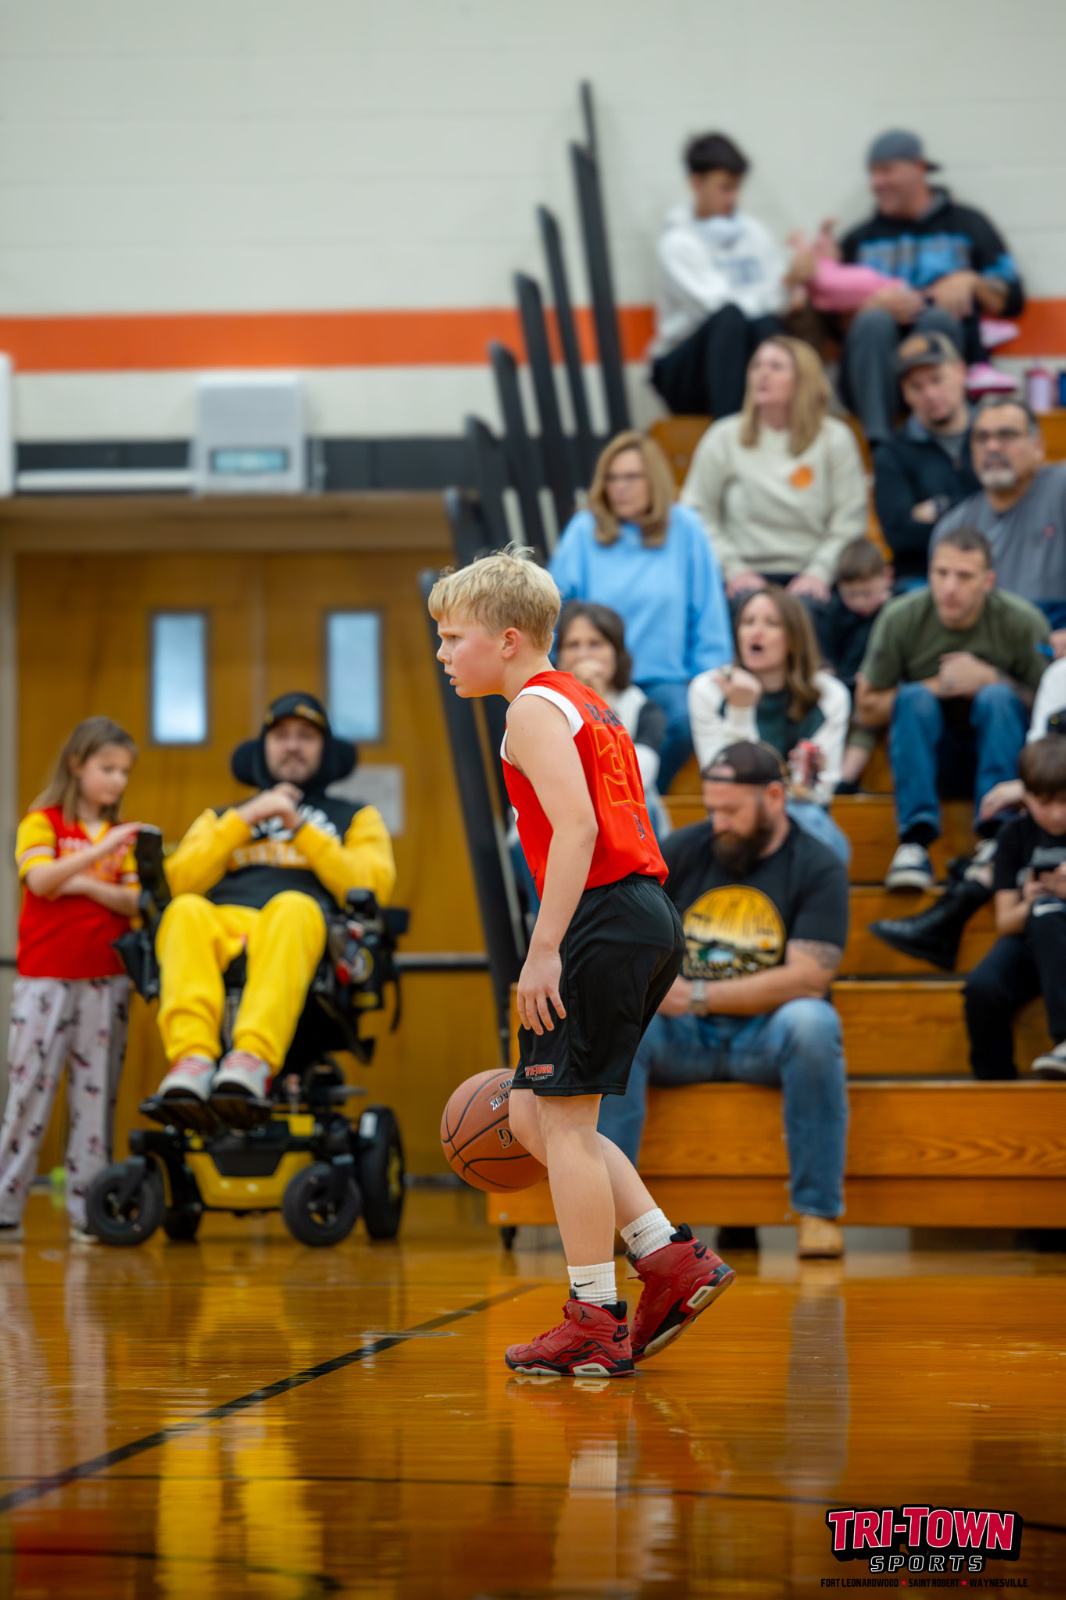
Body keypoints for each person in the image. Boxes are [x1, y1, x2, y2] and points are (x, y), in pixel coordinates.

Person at [430, 548, 735, 1378]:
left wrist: (543, 948)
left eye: (454, 637)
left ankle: (595, 1318)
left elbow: (578, 830)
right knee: (538, 1117)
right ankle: (667, 1257)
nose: (443, 653)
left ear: (508, 638)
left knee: (562, 1124)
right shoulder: (580, 699)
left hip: (601, 915)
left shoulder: (531, 709)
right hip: (639, 913)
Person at [598, 740, 850, 1260]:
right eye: (712, 809)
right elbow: (628, 935)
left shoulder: (817, 864)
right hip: (683, 1037)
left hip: (766, 1033)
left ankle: (817, 1212)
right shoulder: (683, 850)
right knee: (621, 1023)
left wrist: (698, 996)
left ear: (774, 797)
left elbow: (808, 977)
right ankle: (613, 1213)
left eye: (732, 810)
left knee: (814, 1023)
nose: (719, 823)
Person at [155, 693, 395, 1114]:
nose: (293, 745)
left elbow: (372, 886)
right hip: (225, 926)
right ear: (263, 748)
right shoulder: (223, 817)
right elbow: (176, 882)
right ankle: (192, 1059)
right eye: (281, 735)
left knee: (293, 905)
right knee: (183, 911)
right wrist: (247, 817)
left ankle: (252, 1059)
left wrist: (298, 826)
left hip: (301, 929)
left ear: (325, 749)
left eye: (306, 736)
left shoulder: (356, 817)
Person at [0, 717, 141, 1243]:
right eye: (107, 768)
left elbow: (133, 900)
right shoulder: (43, 823)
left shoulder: (125, 838)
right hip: (46, 981)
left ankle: (89, 1211)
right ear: (77, 764)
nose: (117, 781)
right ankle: (5, 1205)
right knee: (28, 1093)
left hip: (106, 981)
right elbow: (40, 880)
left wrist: (81, 883)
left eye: (124, 771)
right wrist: (98, 857)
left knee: (94, 1101)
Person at [855, 527, 1048, 891]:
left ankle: (997, 837)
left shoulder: (1022, 620)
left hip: (1004, 755)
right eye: (941, 573)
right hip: (927, 756)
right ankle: (914, 843)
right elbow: (866, 710)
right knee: (913, 698)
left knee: (997, 697)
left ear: (988, 581)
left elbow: (1051, 708)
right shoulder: (900, 616)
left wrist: (992, 679)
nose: (949, 587)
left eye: (964, 576)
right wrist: (937, 686)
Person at [550, 430, 732, 791]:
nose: (620, 487)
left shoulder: (686, 527)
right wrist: (555, 669)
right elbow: (552, 606)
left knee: (684, 717)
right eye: (612, 478)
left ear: (655, 481)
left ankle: (634, 796)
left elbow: (708, 609)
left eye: (631, 477)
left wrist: (710, 678)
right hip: (596, 672)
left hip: (663, 677)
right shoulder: (584, 530)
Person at [869, 653, 1066, 971]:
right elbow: (1040, 752)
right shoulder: (1060, 674)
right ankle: (951, 913)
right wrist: (1027, 787)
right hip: (1058, 793)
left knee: (1032, 819)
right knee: (1028, 821)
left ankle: (948, 917)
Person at [838, 129, 1024, 445]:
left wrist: (972, 281)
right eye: (873, 174)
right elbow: (830, 325)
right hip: (877, 379)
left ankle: (942, 437)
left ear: (919, 168)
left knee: (937, 318)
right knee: (873, 321)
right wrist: (867, 307)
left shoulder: (968, 224)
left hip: (949, 367)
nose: (876, 183)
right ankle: (880, 447)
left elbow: (1012, 298)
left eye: (886, 171)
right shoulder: (860, 240)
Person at [682, 337, 867, 606]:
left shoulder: (835, 438)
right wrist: (733, 570)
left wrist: (819, 572)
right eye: (756, 365)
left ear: (803, 379)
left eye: (776, 367)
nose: (763, 374)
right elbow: (695, 513)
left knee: (810, 609)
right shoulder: (723, 436)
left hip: (812, 573)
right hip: (741, 575)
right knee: (747, 611)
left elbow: (849, 520)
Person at [688, 585, 851, 861]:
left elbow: (820, 792)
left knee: (814, 825)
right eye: (748, 622)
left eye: (771, 623)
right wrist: (740, 710)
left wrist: (807, 778)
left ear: (795, 636)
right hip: (730, 814)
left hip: (801, 813)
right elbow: (725, 782)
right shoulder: (708, 689)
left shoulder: (829, 694)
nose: (756, 632)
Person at [650, 132, 788, 420]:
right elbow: (717, 306)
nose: (733, 198)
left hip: (741, 357)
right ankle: (731, 433)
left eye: (737, 188)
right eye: (725, 188)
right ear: (696, 183)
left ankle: (781, 424)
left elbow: (780, 298)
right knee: (730, 320)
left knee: (769, 329)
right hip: (684, 370)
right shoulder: (677, 243)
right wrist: (779, 290)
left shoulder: (753, 232)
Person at [962, 738, 1066, 1081]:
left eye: (1065, 802)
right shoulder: (1014, 834)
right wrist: (1032, 901)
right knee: (982, 989)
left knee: (1049, 914)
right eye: (1044, 803)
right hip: (1032, 939)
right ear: (1026, 796)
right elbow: (1006, 921)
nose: (1057, 814)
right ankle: (994, 1088)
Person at [932, 396, 1066, 645]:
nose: (992, 447)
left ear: (1038, 446)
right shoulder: (953, 527)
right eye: (982, 438)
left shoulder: (1060, 489)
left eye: (1007, 435)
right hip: (988, 650)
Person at [872, 332, 979, 583]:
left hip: (995, 574)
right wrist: (978, 511)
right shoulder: (891, 453)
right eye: (916, 387)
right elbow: (900, 536)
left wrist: (941, 506)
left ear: (961, 371)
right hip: (921, 579)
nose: (930, 394)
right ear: (905, 393)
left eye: (937, 379)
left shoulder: (993, 436)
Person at [555, 600, 669, 834]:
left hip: (626, 819)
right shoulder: (543, 705)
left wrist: (598, 705)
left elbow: (634, 778)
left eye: (595, 644)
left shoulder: (644, 708)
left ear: (616, 653)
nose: (583, 655)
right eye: (572, 645)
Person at [815, 539, 895, 791]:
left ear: (887, 578)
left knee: (867, 719)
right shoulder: (833, 613)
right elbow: (825, 656)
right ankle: (822, 775)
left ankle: (845, 780)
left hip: (877, 687)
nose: (859, 602)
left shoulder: (896, 612)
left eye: (867, 593)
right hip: (842, 685)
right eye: (851, 595)